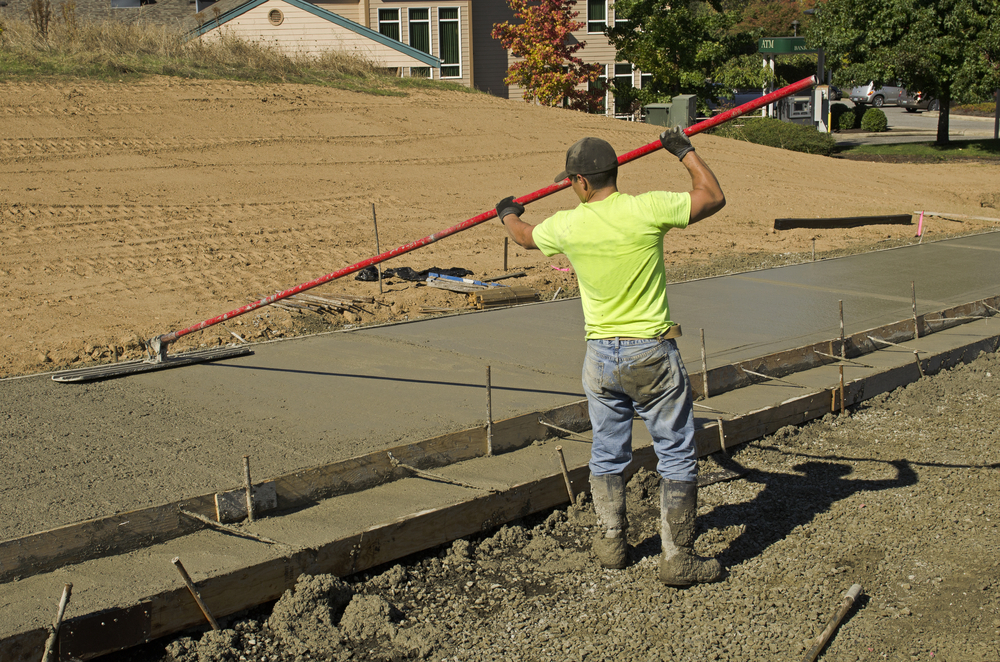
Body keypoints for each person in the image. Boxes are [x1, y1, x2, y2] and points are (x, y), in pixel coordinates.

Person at [494, 128, 726, 586]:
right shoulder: (647, 208)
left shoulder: (567, 224)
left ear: (580, 182)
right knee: (676, 452)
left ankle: (611, 543)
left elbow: (522, 237)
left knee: (607, 451)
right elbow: (711, 196)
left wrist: (506, 212)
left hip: (601, 358)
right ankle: (677, 558)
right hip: (652, 354)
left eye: (571, 182)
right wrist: (684, 152)